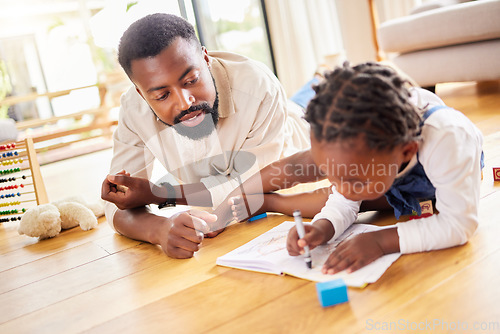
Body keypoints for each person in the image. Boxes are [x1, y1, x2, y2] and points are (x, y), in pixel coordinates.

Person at [230, 61, 484, 275]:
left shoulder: (448, 139)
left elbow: (459, 224)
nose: (343, 190)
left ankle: (271, 202)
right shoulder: (360, 161)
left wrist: (381, 241)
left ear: (406, 151)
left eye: (356, 181)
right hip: (378, 166)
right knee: (318, 174)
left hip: (432, 180)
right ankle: (257, 195)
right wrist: (322, 227)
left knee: (367, 196)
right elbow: (344, 199)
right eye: (334, 176)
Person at [100, 13, 311, 259]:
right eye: (161, 96)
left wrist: (160, 194)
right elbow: (118, 203)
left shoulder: (257, 85)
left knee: (317, 101)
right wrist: (158, 229)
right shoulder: (132, 108)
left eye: (191, 80)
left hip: (302, 129)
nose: (184, 103)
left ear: (206, 58)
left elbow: (253, 188)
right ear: (141, 93)